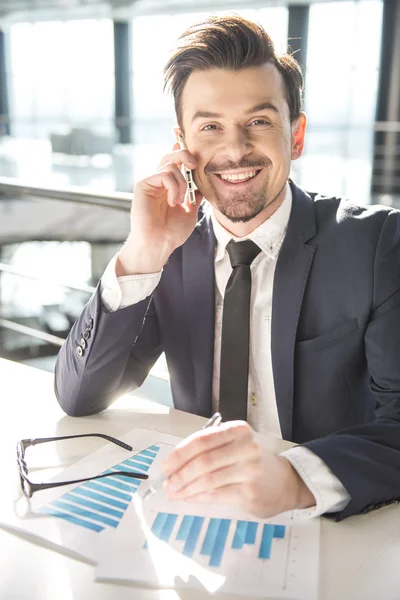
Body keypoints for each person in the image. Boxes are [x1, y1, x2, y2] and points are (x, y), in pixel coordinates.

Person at [55, 15, 400, 521]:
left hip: (328, 525)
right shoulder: (170, 249)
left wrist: (295, 477)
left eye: (258, 122)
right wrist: (142, 252)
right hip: (197, 518)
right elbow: (80, 396)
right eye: (210, 127)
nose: (235, 149)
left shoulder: (377, 244)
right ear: (183, 144)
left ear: (296, 135)